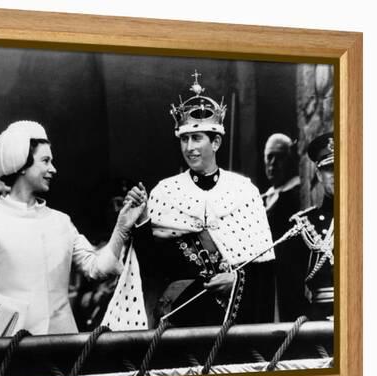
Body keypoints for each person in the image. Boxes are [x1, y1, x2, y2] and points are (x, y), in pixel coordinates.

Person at [0, 120, 145, 335]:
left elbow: (97, 269)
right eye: (45, 161)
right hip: (4, 348)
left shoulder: (61, 221)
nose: (53, 169)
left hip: (61, 348)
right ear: (22, 164)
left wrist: (121, 227)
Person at [119, 71, 275, 328]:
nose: (189, 147)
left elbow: (265, 270)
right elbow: (153, 268)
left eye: (196, 138)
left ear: (215, 142)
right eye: (184, 139)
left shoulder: (244, 191)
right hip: (182, 319)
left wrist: (235, 280)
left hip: (232, 322)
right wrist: (143, 219)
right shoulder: (165, 192)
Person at [260, 133, 307, 322]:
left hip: (289, 276)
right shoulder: (265, 198)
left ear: (290, 160)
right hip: (267, 277)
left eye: (279, 158)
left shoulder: (295, 193)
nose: (273, 164)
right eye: (269, 157)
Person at [297, 132, 335, 320]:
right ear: (319, 175)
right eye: (331, 169)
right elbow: (291, 294)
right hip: (321, 325)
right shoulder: (305, 225)